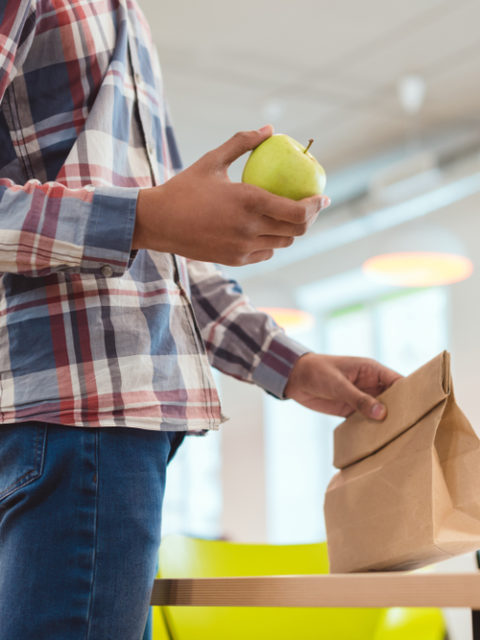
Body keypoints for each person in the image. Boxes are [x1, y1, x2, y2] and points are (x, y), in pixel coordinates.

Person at [0, 2, 401, 639]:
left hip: (91, 421)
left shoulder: (124, 16)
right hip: (83, 414)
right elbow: (148, 225)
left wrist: (290, 366)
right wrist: (145, 218)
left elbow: (160, 254)